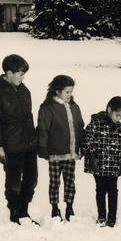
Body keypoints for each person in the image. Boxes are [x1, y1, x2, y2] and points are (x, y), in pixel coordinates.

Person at [0, 54, 38, 225]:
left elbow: (29, 117)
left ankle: (24, 211)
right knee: (13, 180)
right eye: (20, 74)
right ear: (8, 73)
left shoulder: (24, 90)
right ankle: (14, 212)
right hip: (11, 145)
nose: (23, 78)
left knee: (31, 178)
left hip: (29, 143)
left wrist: (35, 139)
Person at [37, 75, 85, 222]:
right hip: (55, 153)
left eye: (71, 92)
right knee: (55, 182)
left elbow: (80, 128)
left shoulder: (75, 107)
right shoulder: (48, 109)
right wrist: (42, 147)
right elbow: (43, 129)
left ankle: (69, 206)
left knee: (70, 181)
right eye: (67, 92)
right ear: (57, 91)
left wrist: (81, 146)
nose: (70, 95)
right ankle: (54, 207)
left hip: (71, 153)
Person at [82, 96, 121, 228]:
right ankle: (102, 215)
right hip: (98, 164)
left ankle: (112, 217)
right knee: (101, 190)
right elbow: (86, 141)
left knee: (113, 190)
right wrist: (91, 156)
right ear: (109, 109)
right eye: (117, 115)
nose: (118, 119)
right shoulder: (95, 124)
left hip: (113, 167)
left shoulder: (120, 128)